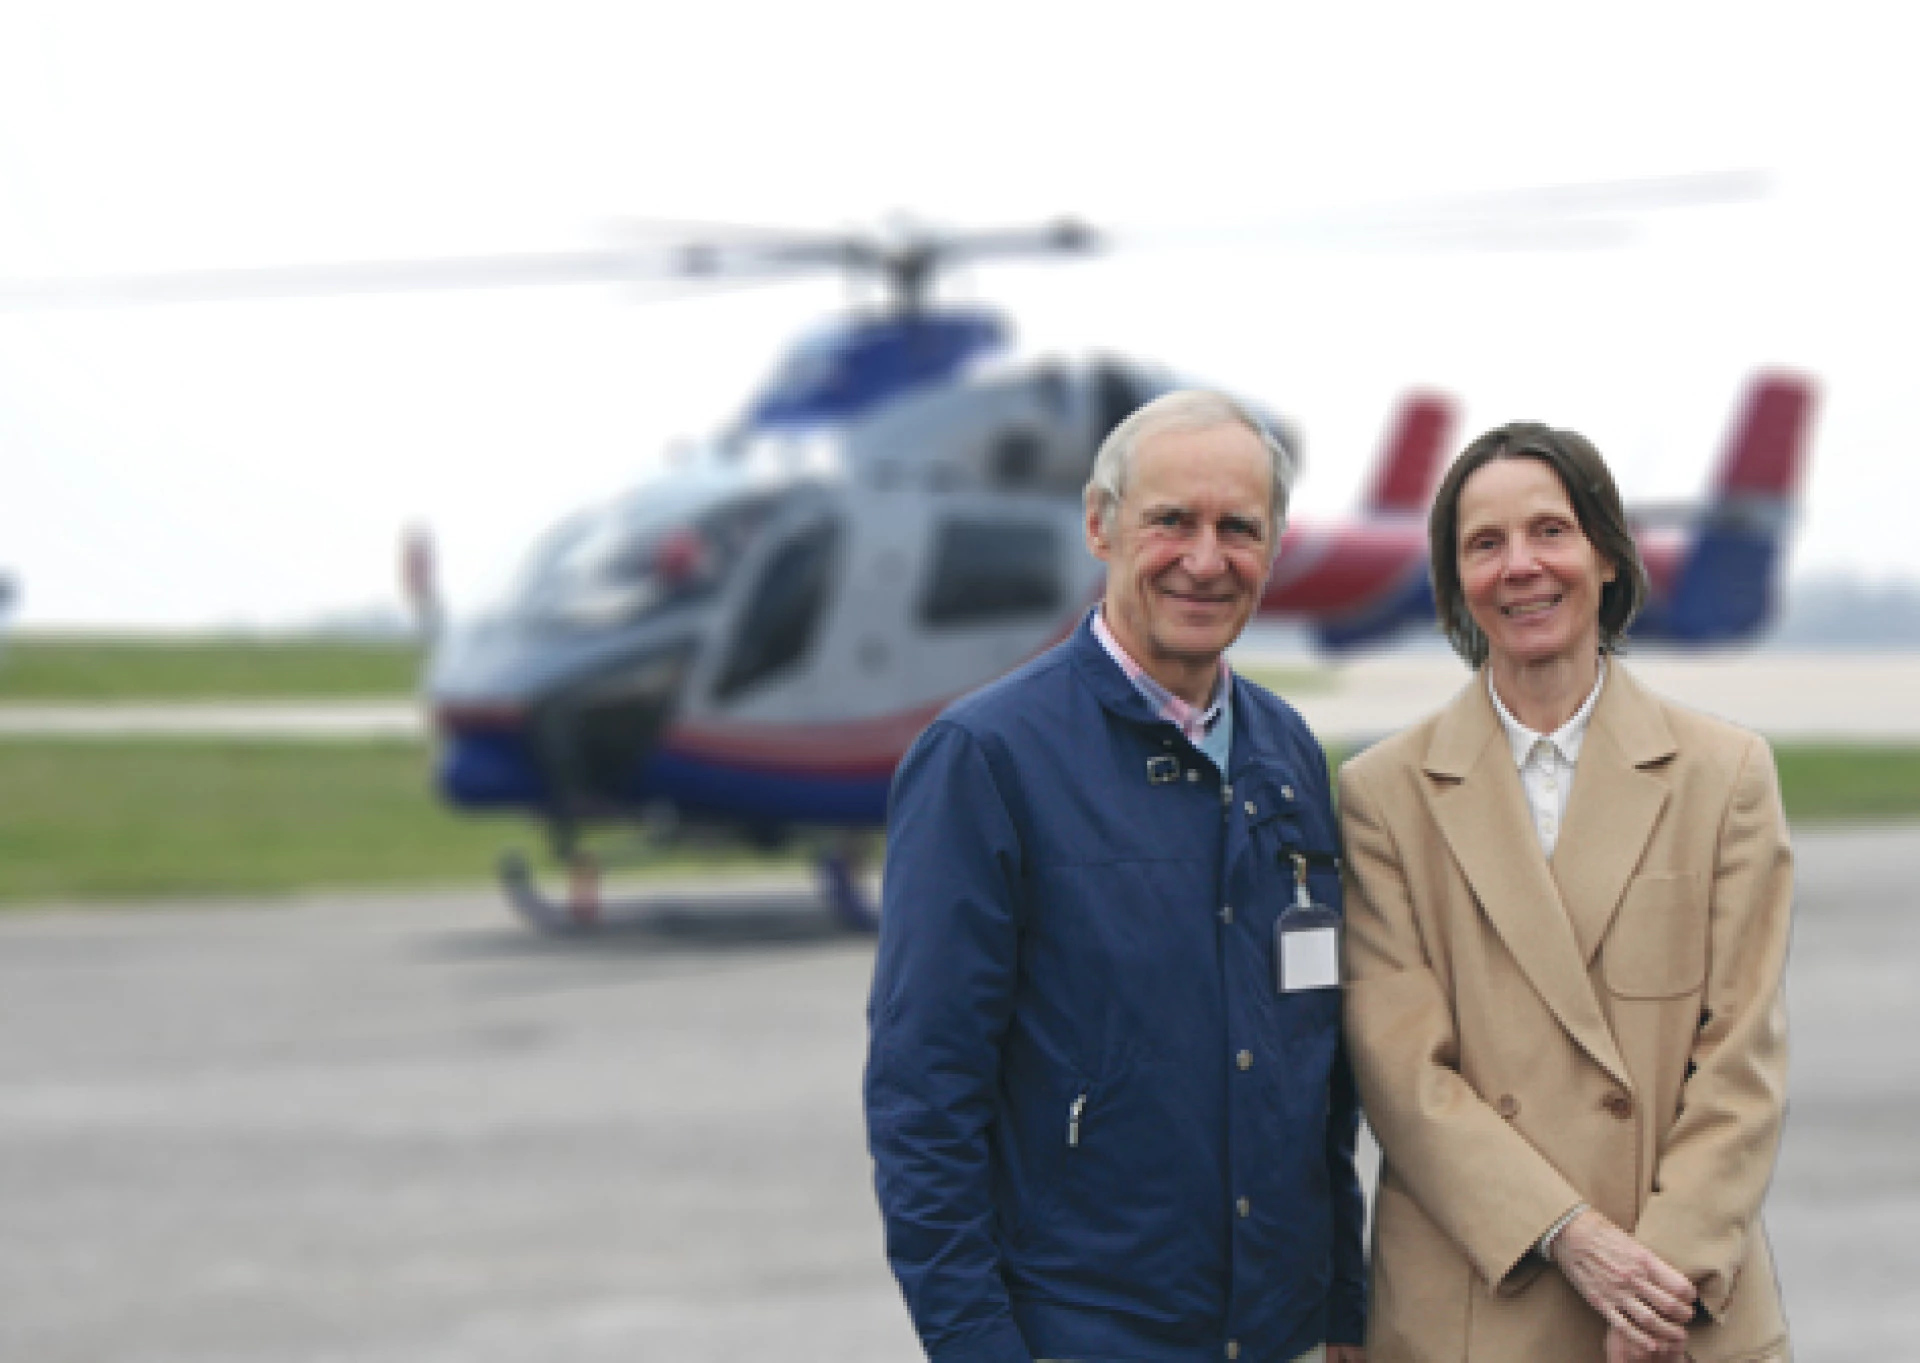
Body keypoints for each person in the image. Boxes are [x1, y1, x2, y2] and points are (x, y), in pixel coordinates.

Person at [865, 389, 1369, 1363]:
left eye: (1238, 528)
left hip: (1281, 1335)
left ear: (1273, 545)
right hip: (1086, 1335)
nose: (1205, 559)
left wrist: (1343, 1300)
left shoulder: (1287, 752)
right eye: (1171, 520)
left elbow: (1318, 1069)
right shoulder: (987, 758)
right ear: (1100, 526)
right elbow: (924, 1094)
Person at [1338, 422, 1792, 1362]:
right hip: (1478, 1296)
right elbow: (1403, 1075)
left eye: (1550, 531)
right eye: (1485, 543)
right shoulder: (1382, 795)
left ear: (1607, 555)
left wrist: (1657, 1283)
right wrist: (1571, 1237)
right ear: (1456, 580)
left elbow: (1741, 1059)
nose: (1521, 566)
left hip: (1679, 1303)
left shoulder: (1726, 775)